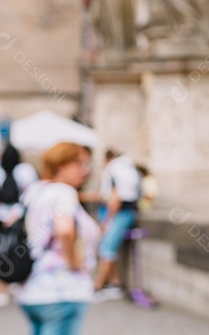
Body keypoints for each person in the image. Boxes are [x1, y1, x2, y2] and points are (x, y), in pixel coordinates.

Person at [18, 142, 99, 335]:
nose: (84, 171)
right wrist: (74, 262)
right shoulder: (64, 192)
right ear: (61, 165)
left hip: (32, 286)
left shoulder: (35, 190)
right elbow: (64, 230)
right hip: (62, 289)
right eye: (79, 164)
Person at [0, 143, 38, 307]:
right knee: (11, 251)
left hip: (7, 216)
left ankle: (9, 285)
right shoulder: (23, 170)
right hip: (9, 216)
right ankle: (7, 286)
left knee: (7, 252)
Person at [93, 148, 141, 299]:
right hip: (126, 211)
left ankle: (97, 287)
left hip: (119, 213)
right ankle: (115, 283)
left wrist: (107, 219)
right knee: (105, 248)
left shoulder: (115, 169)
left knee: (106, 249)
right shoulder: (129, 168)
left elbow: (116, 198)